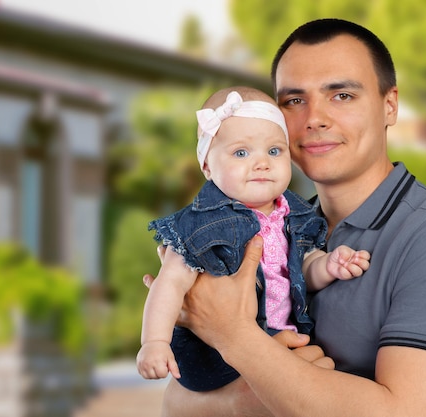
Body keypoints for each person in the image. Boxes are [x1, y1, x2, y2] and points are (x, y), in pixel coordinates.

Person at [148, 18, 426, 417]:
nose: (314, 118)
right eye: (294, 101)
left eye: (342, 95)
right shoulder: (275, 227)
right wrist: (239, 395)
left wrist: (234, 336)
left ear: (390, 105)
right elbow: (175, 405)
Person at [137, 86, 371, 392]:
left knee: (319, 383)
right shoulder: (202, 224)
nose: (262, 163)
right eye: (241, 152)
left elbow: (300, 271)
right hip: (213, 354)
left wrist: (327, 265)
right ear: (207, 166)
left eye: (274, 151)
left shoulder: (295, 215)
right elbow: (169, 284)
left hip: (277, 341)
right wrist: (154, 342)